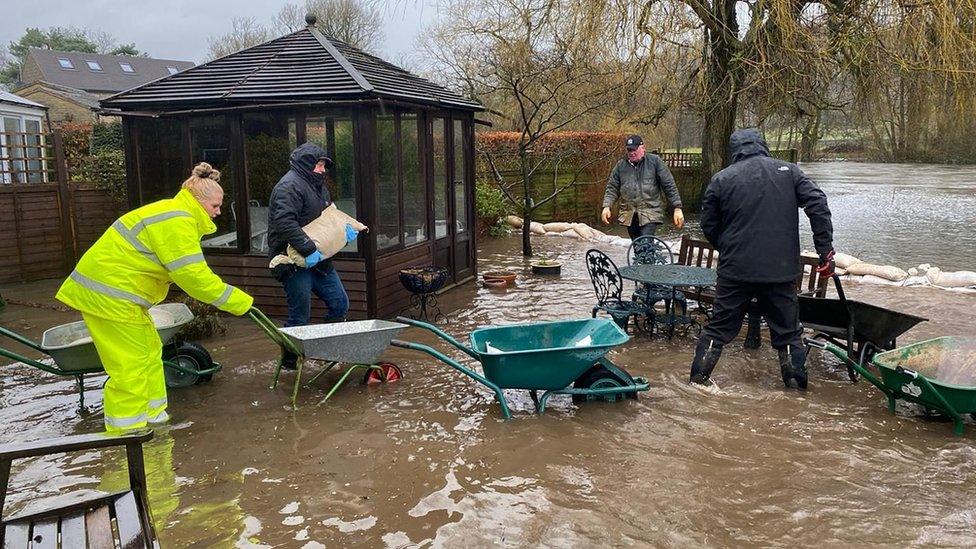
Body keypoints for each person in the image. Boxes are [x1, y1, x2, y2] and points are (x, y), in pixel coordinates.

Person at [56, 163, 254, 433]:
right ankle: (128, 438)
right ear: (199, 200)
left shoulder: (175, 214)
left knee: (149, 355)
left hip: (120, 297)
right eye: (216, 206)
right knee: (131, 368)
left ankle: (154, 421)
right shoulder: (178, 220)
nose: (219, 213)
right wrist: (240, 302)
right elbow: (194, 277)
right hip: (111, 296)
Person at [689, 128, 835, 389]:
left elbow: (708, 225)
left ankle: (697, 384)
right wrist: (825, 250)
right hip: (780, 271)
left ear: (734, 150)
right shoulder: (790, 173)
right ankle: (795, 396)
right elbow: (818, 205)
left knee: (718, 330)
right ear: (763, 145)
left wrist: (729, 247)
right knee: (789, 334)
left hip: (736, 271)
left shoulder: (722, 179)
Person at [267, 142, 350, 370]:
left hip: (320, 261)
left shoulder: (319, 187)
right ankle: (289, 366)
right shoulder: (288, 187)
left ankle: (328, 353)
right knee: (300, 316)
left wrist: (344, 230)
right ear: (307, 165)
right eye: (319, 165)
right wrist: (308, 248)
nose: (323, 170)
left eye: (324, 165)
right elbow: (284, 222)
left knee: (339, 303)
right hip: (292, 262)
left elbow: (329, 217)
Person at [601, 134, 685, 238]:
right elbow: (612, 187)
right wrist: (607, 206)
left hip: (650, 213)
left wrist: (677, 208)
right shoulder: (620, 166)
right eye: (629, 150)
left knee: (645, 243)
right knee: (637, 247)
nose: (631, 153)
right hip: (629, 214)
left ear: (642, 148)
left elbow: (669, 185)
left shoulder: (655, 162)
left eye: (634, 150)